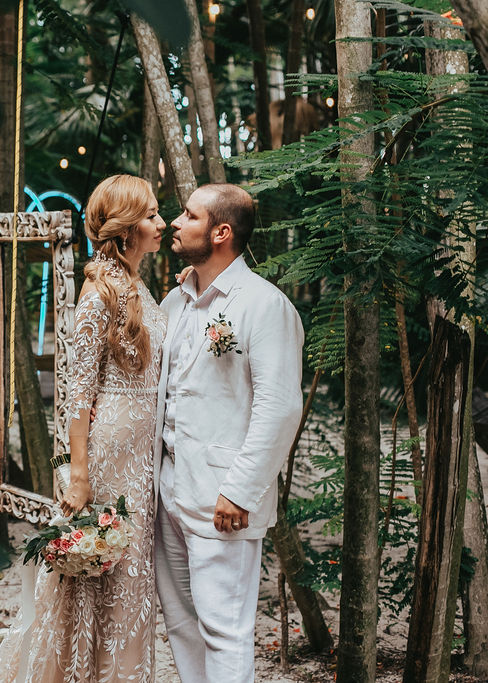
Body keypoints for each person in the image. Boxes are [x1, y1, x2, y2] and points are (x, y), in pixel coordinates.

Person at [0, 174, 167, 682]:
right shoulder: (97, 296)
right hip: (109, 456)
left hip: (141, 455)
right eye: (152, 215)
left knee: (128, 581)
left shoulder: (136, 285)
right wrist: (80, 471)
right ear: (126, 229)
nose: (161, 223)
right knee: (106, 570)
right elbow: (78, 394)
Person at [153, 184, 304, 683]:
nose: (175, 222)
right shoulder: (175, 302)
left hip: (224, 498)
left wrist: (239, 491)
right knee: (181, 623)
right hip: (169, 489)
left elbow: (280, 408)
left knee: (225, 629)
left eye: (188, 216)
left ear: (220, 232)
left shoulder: (264, 305)